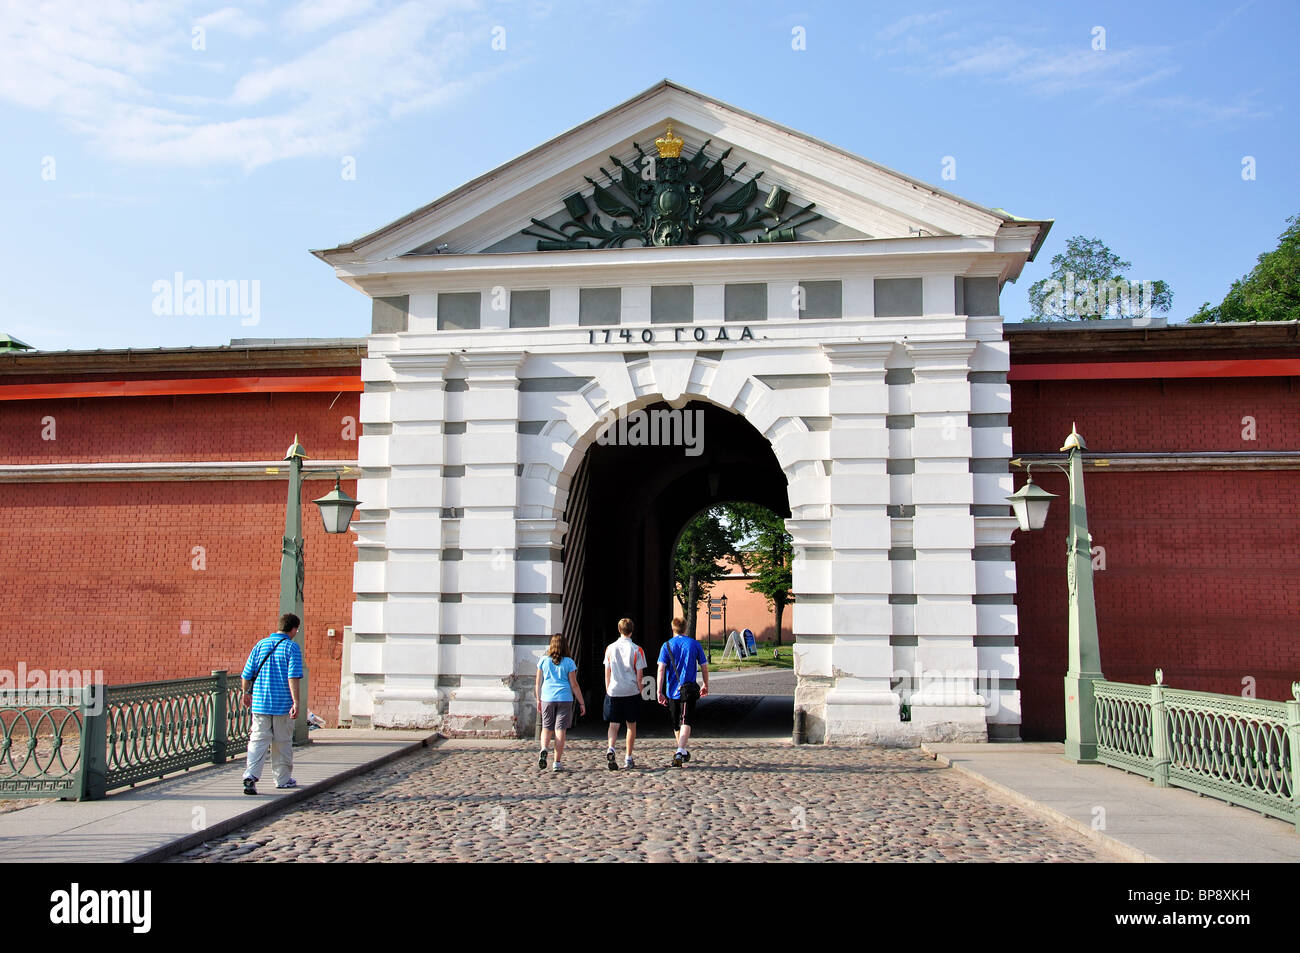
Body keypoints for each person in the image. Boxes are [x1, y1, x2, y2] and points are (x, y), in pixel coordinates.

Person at [240, 613, 304, 795]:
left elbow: (246, 674)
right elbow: (293, 676)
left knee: (258, 741)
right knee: (282, 742)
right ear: (294, 629)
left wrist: (245, 693)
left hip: (260, 704)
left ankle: (250, 776)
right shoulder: (292, 648)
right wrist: (296, 702)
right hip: (282, 704)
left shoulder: (260, 645)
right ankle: (282, 779)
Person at [657, 615, 708, 767]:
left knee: (675, 723)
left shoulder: (666, 646)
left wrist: (659, 691)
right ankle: (681, 750)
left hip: (672, 690)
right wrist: (705, 684)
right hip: (689, 689)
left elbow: (661, 669)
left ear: (673, 628)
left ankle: (680, 749)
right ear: (686, 628)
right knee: (686, 720)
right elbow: (704, 666)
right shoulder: (694, 644)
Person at [535, 632, 585, 773]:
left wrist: (538, 699)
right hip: (564, 698)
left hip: (547, 698)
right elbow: (574, 685)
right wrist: (581, 702)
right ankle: (557, 762)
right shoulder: (569, 662)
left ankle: (544, 749)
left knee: (546, 727)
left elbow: (538, 682)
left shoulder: (543, 661)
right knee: (560, 730)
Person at [602, 618, 646, 770]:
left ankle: (611, 748)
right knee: (631, 725)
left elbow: (607, 672)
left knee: (613, 725)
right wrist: (640, 691)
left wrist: (608, 689)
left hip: (614, 690)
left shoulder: (610, 648)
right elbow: (639, 675)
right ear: (632, 630)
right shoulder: (637, 649)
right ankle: (628, 757)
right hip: (631, 691)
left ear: (619, 630)